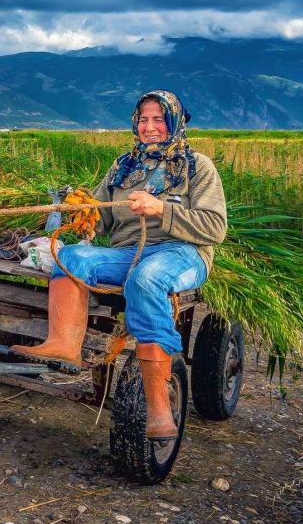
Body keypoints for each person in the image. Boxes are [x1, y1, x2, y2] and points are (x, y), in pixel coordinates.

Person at [16, 90, 227, 445]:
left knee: (146, 279)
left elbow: (215, 228)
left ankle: (159, 407)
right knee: (72, 257)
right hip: (128, 251)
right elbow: (102, 218)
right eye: (143, 119)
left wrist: (162, 209)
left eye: (158, 119)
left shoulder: (197, 167)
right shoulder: (123, 166)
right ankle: (63, 346)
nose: (150, 127)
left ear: (174, 122)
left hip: (182, 254)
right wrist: (83, 214)